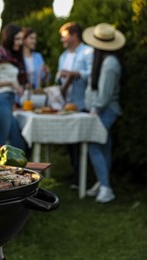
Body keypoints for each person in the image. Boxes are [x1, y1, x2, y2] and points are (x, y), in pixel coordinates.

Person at [82, 23, 125, 203]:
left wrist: (95, 109)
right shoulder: (105, 60)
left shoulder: (110, 64)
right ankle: (103, 182)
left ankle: (106, 188)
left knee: (93, 144)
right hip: (101, 111)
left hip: (105, 112)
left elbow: (105, 95)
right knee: (104, 146)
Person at [56, 22, 94, 188]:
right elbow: (59, 79)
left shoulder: (87, 52)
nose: (62, 39)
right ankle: (75, 174)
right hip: (67, 105)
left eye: (64, 35)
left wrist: (75, 74)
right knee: (71, 143)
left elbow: (92, 74)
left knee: (81, 143)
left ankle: (82, 177)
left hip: (82, 103)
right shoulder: (63, 56)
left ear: (74, 35)